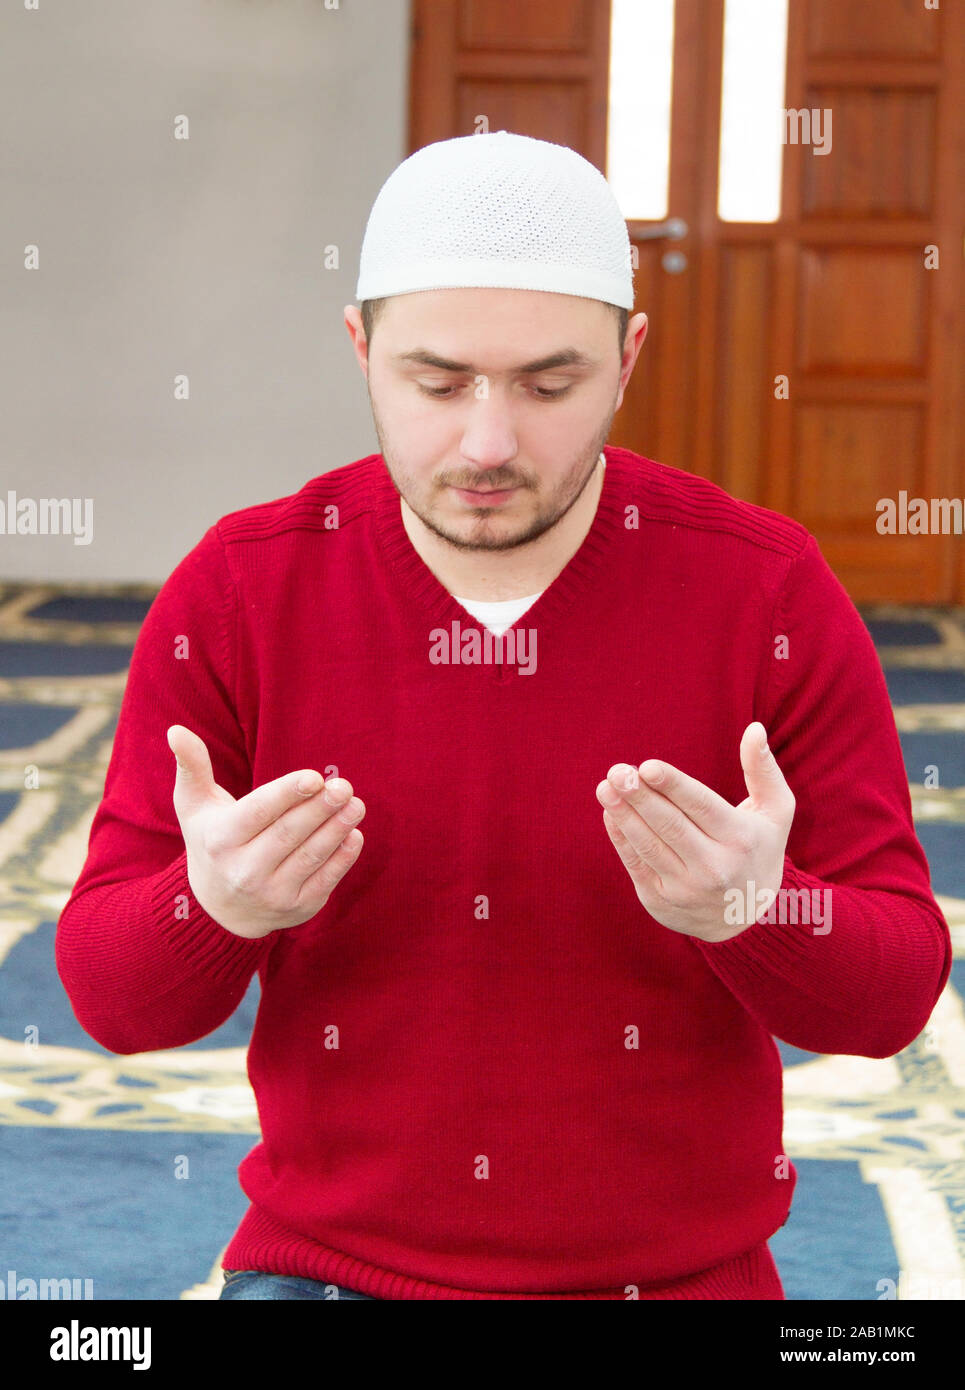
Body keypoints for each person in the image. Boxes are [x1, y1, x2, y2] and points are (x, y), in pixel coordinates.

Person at [56, 131, 951, 1301]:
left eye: (547, 384)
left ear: (628, 359)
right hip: (328, 1272)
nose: (487, 443)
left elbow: (893, 996)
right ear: (358, 348)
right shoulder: (240, 592)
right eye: (434, 384)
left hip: (675, 1280)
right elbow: (112, 1001)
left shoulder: (763, 591)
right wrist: (209, 906)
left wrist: (756, 908)